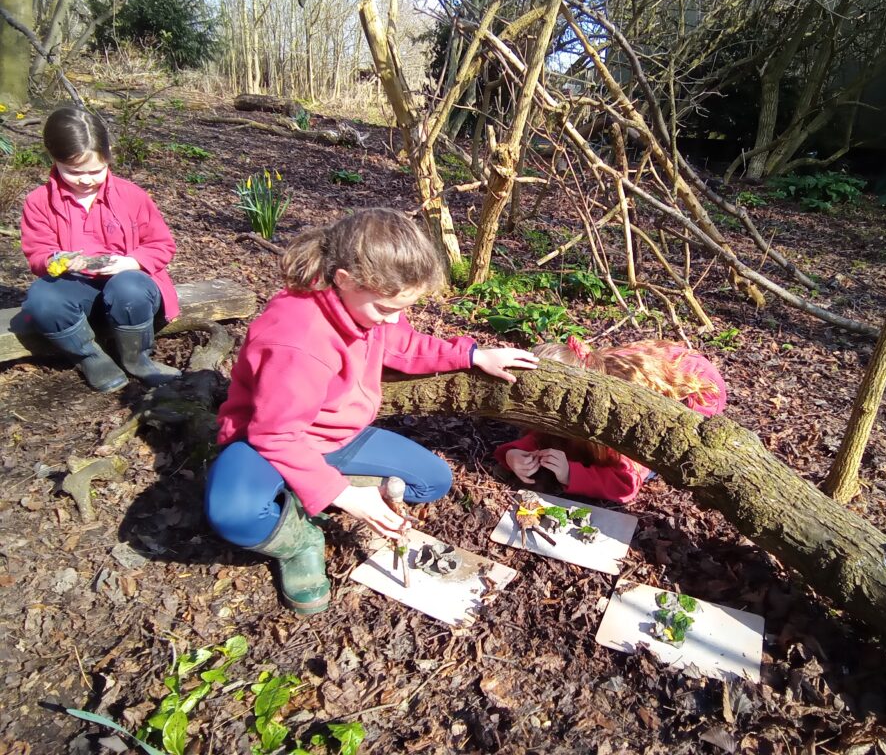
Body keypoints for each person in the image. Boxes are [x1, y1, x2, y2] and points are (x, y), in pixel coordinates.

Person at [205, 209, 538, 614]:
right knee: (234, 514)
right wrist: (343, 495)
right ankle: (298, 541)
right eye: (385, 309)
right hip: (269, 444)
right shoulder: (299, 339)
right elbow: (275, 435)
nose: (393, 319)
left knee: (431, 481)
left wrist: (472, 354)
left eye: (402, 308)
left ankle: (312, 489)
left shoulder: (369, 303)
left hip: (338, 437)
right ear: (344, 279)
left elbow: (404, 345)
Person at [19, 106, 181, 392]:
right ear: (53, 159)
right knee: (41, 298)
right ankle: (90, 357)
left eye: (96, 170)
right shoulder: (38, 202)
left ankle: (137, 358)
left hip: (131, 293)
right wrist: (58, 260)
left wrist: (131, 262)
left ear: (108, 158)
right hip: (76, 289)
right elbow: (37, 253)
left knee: (128, 286)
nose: (86, 179)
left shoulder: (131, 195)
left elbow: (161, 244)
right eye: (74, 172)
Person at [495, 336, 727, 504]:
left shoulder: (618, 413)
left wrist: (570, 474)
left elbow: (626, 482)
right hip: (656, 363)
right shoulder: (572, 391)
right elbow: (542, 432)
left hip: (698, 388)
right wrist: (513, 454)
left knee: (665, 453)